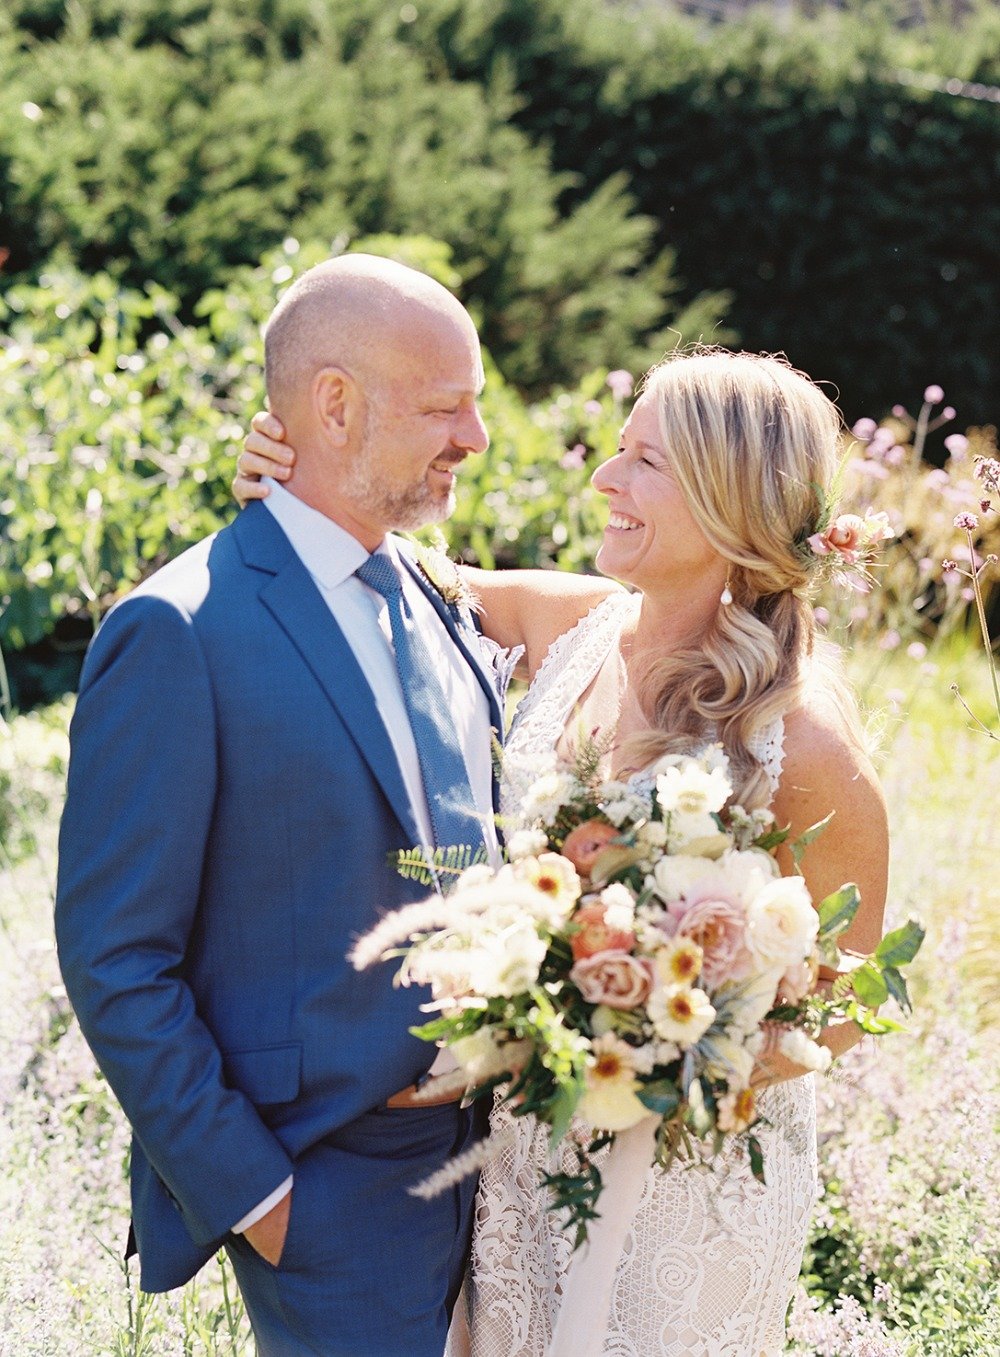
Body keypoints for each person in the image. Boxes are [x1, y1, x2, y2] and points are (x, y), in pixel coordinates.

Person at [236, 343, 888, 1355]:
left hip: (684, 1178)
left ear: (728, 496)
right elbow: (398, 579)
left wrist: (657, 1064)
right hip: (520, 1154)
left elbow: (855, 998)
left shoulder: (799, 738)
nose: (603, 479)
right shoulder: (578, 626)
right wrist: (291, 485)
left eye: (644, 462)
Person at [54, 254, 516, 1357]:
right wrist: (262, 1201)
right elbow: (115, 955)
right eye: (447, 405)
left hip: (504, 1179)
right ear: (335, 404)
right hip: (328, 1196)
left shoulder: (445, 601)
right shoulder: (179, 629)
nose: (477, 439)